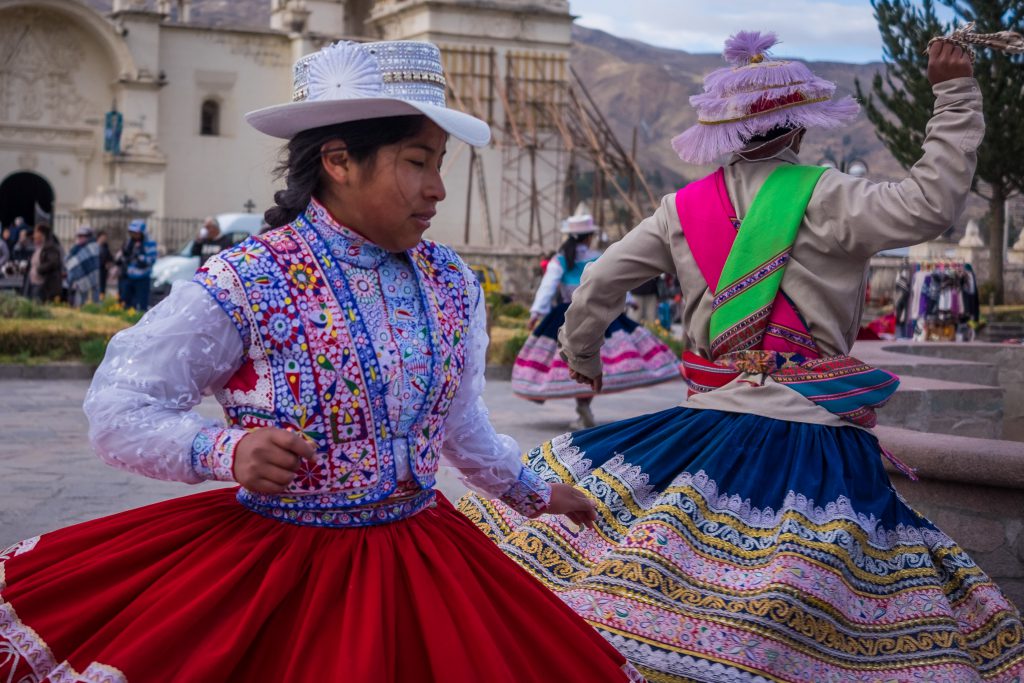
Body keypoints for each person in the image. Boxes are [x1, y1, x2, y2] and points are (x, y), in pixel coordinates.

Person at [0, 40, 641, 683]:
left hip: (420, 552)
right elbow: (119, 408)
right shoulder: (247, 280)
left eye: (440, 162)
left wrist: (528, 489)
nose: (438, 188)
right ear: (338, 161)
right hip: (281, 565)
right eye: (418, 162)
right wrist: (223, 450)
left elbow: (457, 420)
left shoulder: (451, 282)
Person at [459, 32, 1024, 682]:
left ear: (730, 131)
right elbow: (933, 201)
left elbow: (597, 284)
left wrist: (582, 356)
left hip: (702, 430)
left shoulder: (681, 209)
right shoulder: (831, 195)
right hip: (815, 445)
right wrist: (954, 95)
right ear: (800, 127)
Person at [513, 214, 680, 429]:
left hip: (568, 314)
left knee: (574, 356)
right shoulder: (597, 256)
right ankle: (585, 406)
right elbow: (612, 281)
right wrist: (628, 301)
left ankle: (581, 407)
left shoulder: (560, 259)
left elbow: (548, 286)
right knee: (594, 358)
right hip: (599, 315)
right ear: (589, 236)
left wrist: (536, 312)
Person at [115, 219, 157, 311]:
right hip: (129, 277)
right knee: (126, 303)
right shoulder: (129, 243)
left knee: (142, 304)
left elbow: (152, 260)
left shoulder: (149, 243)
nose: (134, 235)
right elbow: (123, 256)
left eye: (136, 232)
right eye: (132, 232)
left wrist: (139, 257)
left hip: (142, 278)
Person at [66, 225, 102, 307]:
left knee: (94, 293)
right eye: (79, 236)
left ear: (88, 236)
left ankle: (94, 308)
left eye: (83, 236)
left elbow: (95, 262)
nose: (80, 238)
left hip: (93, 275)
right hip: (80, 277)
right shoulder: (75, 248)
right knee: (81, 296)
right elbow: (69, 260)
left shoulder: (93, 247)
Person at [25, 223, 61, 302]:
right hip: (34, 283)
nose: (34, 235)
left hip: (43, 285)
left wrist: (39, 270)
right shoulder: (38, 248)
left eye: (36, 232)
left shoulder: (50, 248)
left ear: (42, 235)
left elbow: (53, 262)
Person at [96, 230, 113, 298]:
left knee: (102, 286)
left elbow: (110, 257)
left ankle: (101, 298)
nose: (105, 239)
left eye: (105, 237)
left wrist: (109, 263)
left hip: (103, 270)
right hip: (96, 270)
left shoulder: (106, 247)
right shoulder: (94, 246)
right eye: (103, 237)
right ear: (99, 237)